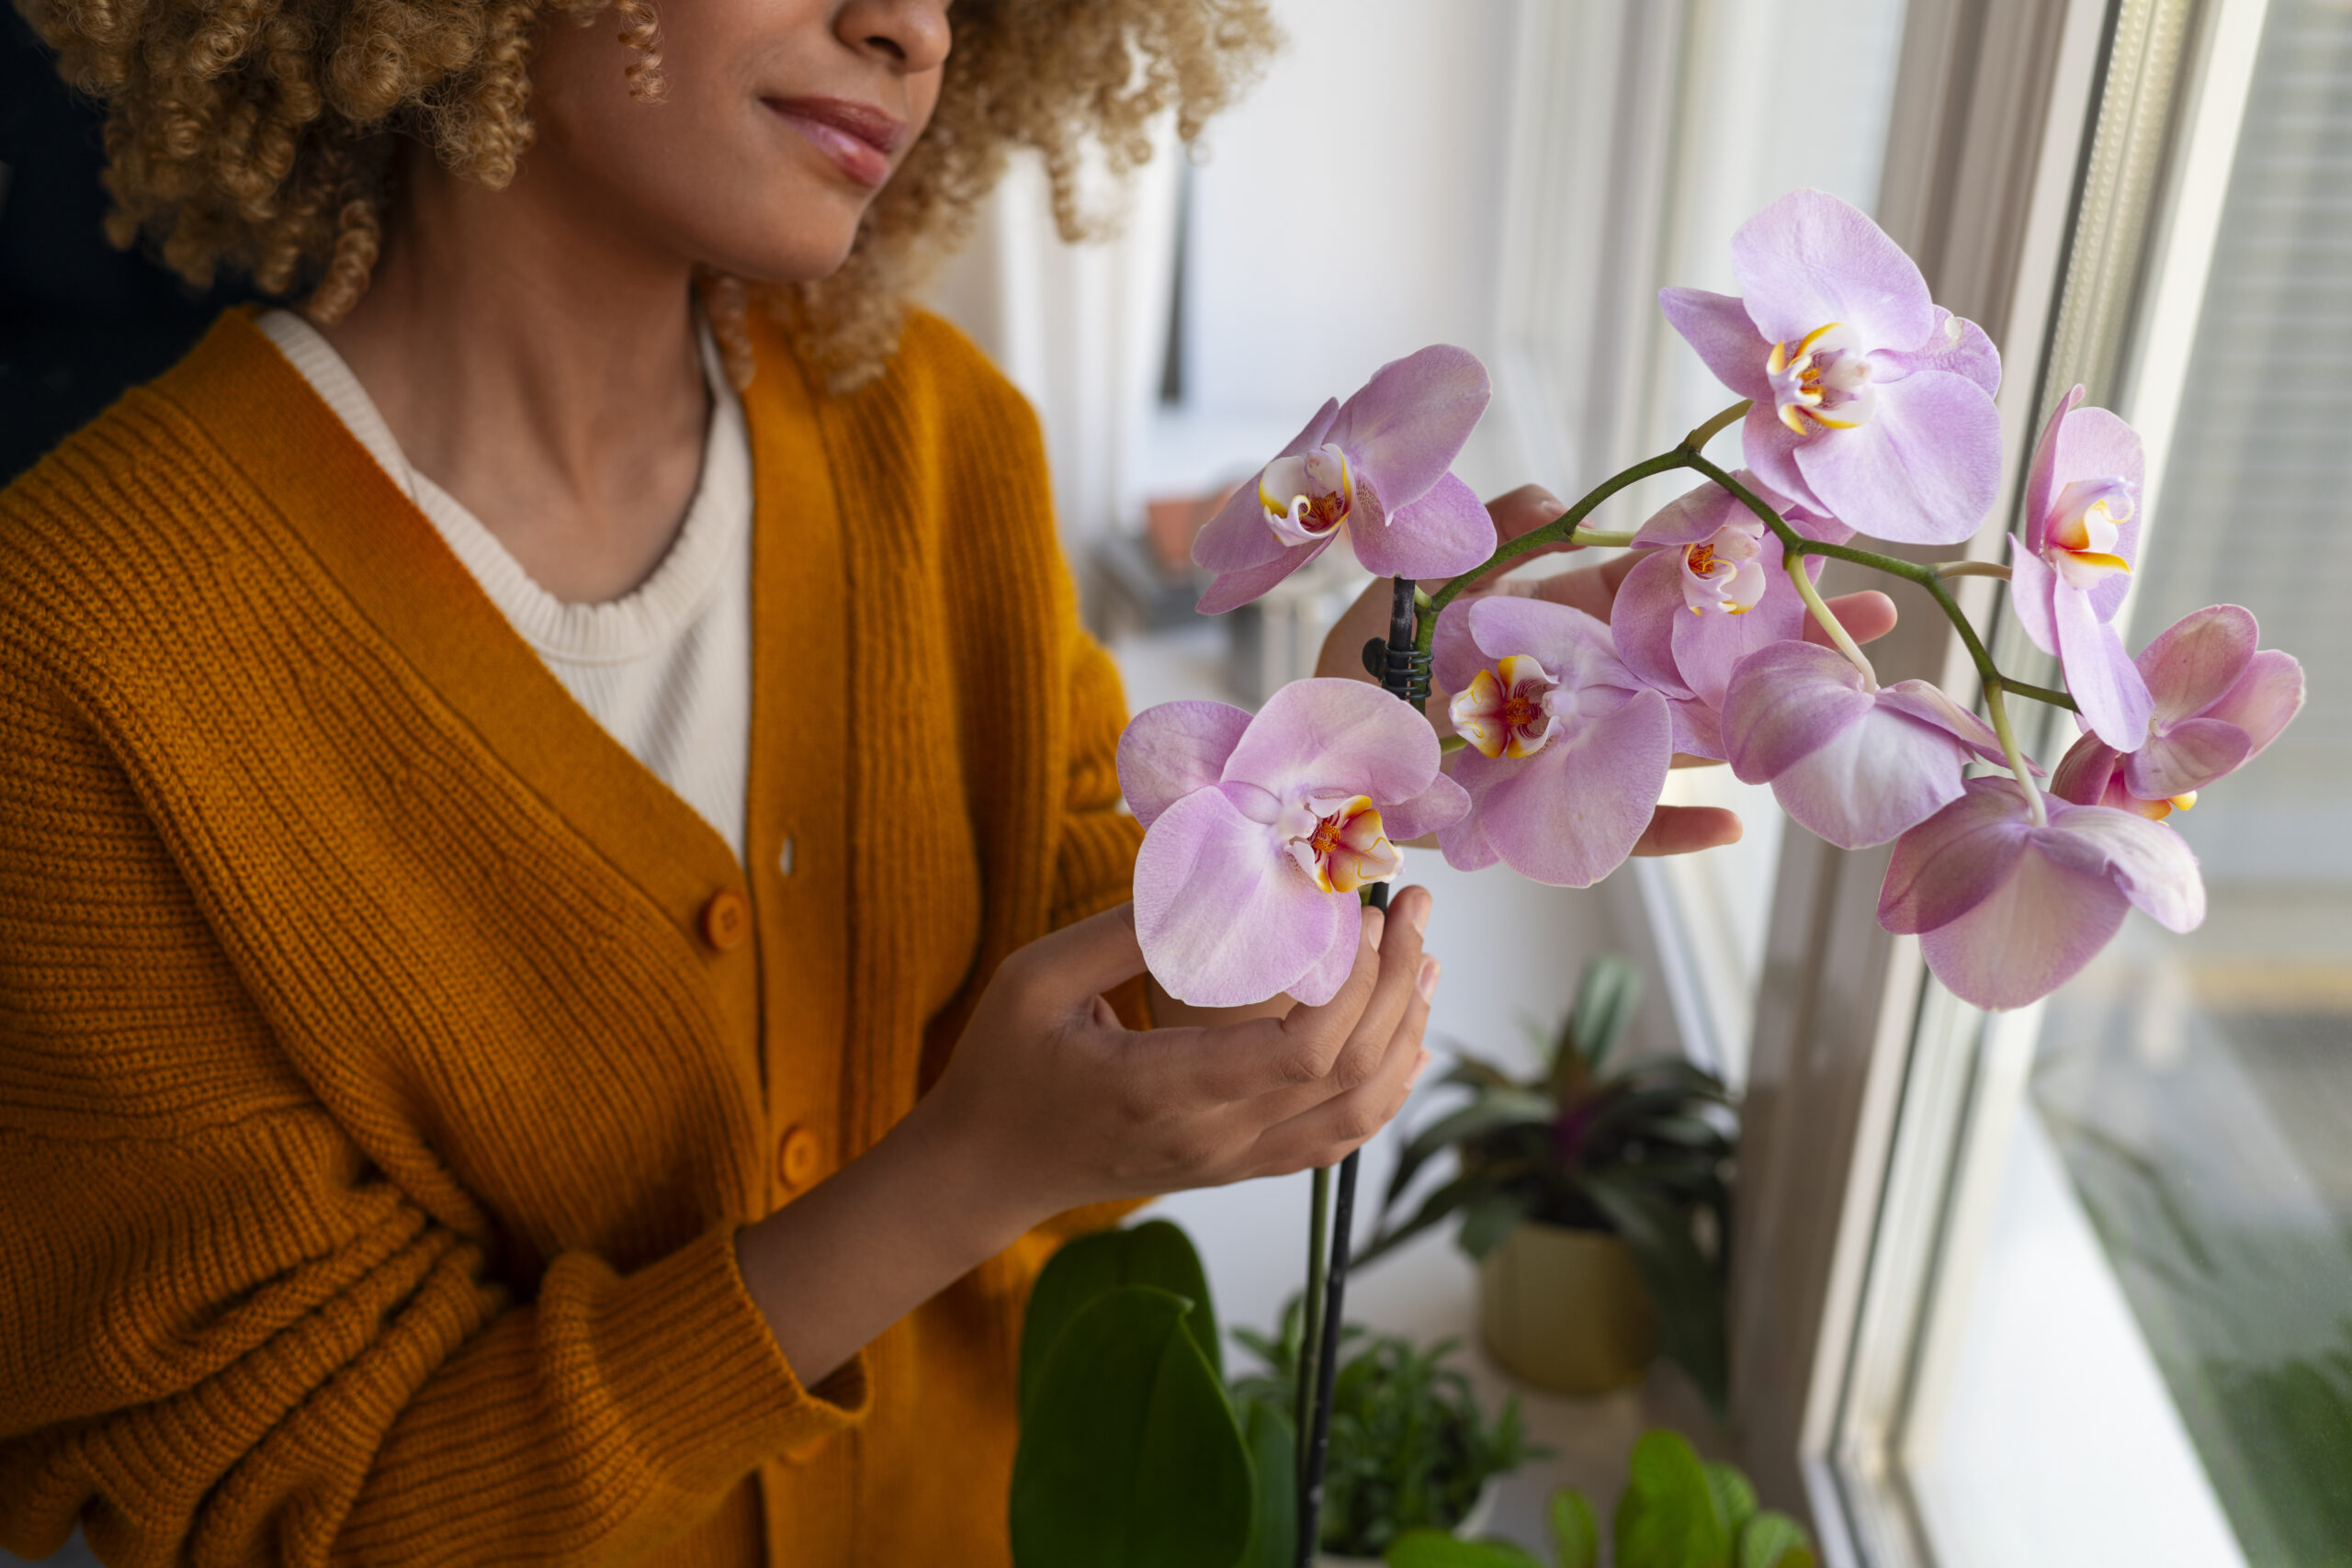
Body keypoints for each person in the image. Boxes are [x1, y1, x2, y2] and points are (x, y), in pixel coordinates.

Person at [0, 0, 1893, 1562]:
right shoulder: (85, 652)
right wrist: (959, 1177)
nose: (907, 30)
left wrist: (1339, 761)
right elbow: (290, 1506)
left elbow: (1093, 997)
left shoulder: (937, 443)